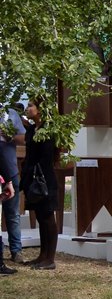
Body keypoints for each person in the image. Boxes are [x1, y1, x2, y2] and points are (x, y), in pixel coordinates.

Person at [21, 99, 61, 270]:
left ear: (40, 109)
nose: (28, 108)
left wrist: (35, 173)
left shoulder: (48, 130)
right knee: (40, 217)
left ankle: (50, 258)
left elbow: (46, 158)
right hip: (32, 179)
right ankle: (42, 255)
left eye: (31, 105)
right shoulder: (31, 130)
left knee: (47, 217)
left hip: (45, 179)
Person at [0, 104, 26, 265]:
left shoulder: (11, 114)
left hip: (10, 170)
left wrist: (11, 137)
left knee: (12, 213)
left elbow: (23, 138)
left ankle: (16, 250)